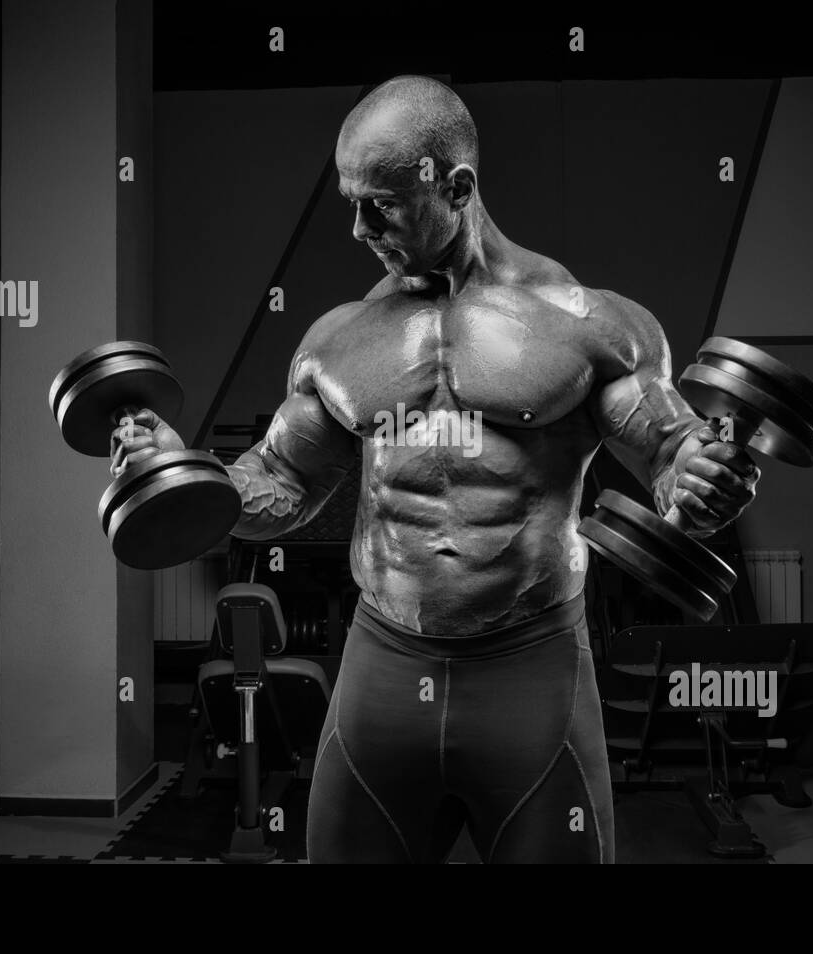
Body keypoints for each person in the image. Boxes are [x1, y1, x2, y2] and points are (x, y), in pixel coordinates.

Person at [111, 76, 759, 863]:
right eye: (349, 200)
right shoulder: (339, 341)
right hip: (384, 666)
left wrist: (701, 478)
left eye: (380, 203)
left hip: (533, 669)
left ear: (455, 187)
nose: (356, 228)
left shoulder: (589, 326)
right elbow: (279, 483)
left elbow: (672, 456)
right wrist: (188, 476)